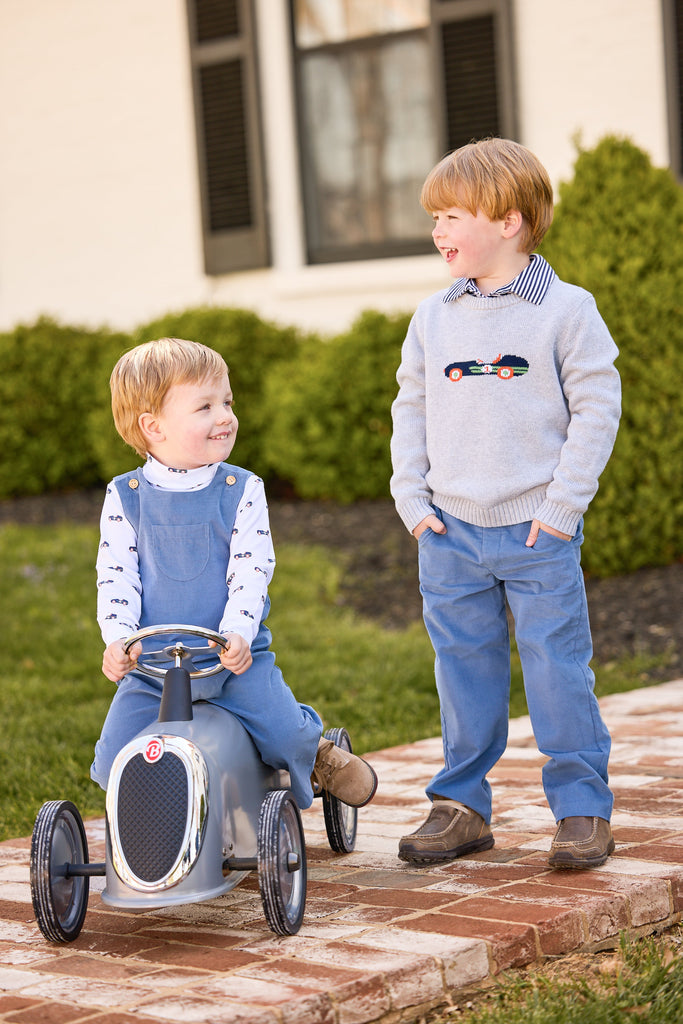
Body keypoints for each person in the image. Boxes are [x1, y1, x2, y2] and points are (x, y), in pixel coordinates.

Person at [390, 138, 621, 869]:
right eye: (434, 217)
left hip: (534, 532)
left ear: (510, 222)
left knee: (556, 669)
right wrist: (411, 498)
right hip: (448, 531)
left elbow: (595, 410)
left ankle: (581, 809)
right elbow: (410, 407)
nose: (438, 231)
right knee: (463, 671)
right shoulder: (433, 316)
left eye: (452, 215)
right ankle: (459, 807)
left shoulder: (565, 310)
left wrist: (559, 509)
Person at [91, 336, 377, 811]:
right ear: (152, 426)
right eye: (204, 406)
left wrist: (237, 634)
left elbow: (252, 568)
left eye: (227, 401)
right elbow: (116, 574)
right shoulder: (126, 496)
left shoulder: (239, 488)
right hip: (152, 667)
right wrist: (119, 639)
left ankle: (317, 753)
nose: (224, 415)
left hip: (232, 659)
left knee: (281, 730)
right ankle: (158, 824)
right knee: (111, 760)